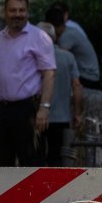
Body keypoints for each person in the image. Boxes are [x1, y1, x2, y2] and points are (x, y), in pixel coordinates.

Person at [0, 0, 55, 167]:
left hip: (27, 111)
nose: (17, 14)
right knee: (0, 163)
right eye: (13, 10)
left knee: (31, 163)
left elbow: (49, 74)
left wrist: (44, 108)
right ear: (5, 12)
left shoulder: (40, 37)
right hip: (1, 111)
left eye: (21, 10)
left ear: (27, 12)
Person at [37, 21, 83, 167]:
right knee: (56, 159)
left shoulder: (33, 58)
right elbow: (76, 86)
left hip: (37, 116)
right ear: (54, 37)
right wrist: (77, 113)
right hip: (62, 117)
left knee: (36, 158)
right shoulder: (68, 57)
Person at [46, 4, 100, 89]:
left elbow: (60, 62)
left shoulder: (66, 37)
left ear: (51, 26)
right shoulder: (68, 30)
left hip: (88, 77)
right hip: (88, 75)